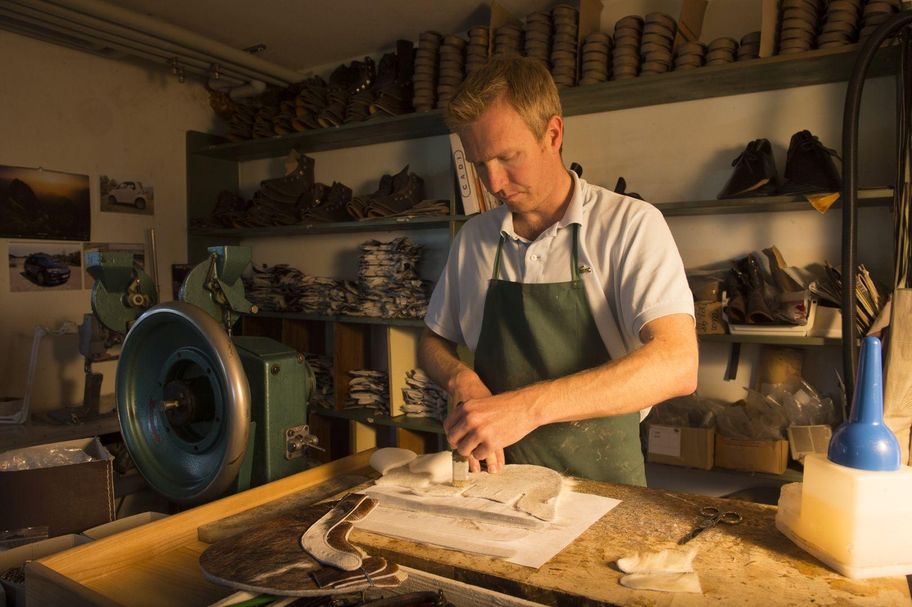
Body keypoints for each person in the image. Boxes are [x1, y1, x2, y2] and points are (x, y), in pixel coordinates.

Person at [418, 57, 698, 486]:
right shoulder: (474, 238)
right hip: (493, 483)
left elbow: (678, 363)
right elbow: (433, 340)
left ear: (552, 133)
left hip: (601, 486)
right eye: (479, 164)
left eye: (508, 157)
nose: (493, 182)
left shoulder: (629, 225)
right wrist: (459, 377)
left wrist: (525, 408)